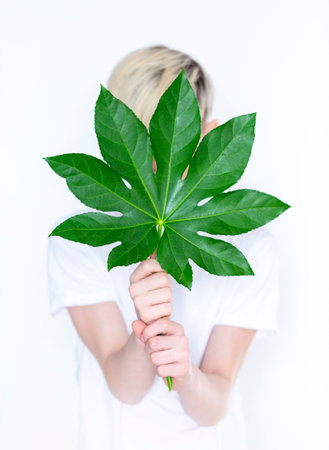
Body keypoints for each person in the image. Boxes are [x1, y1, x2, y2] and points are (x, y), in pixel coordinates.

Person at [46, 45, 280, 450]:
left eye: (174, 138)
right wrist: (144, 336)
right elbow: (125, 387)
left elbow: (215, 402)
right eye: (139, 141)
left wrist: (186, 373)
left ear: (209, 133)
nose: (158, 162)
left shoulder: (252, 248)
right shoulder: (78, 242)